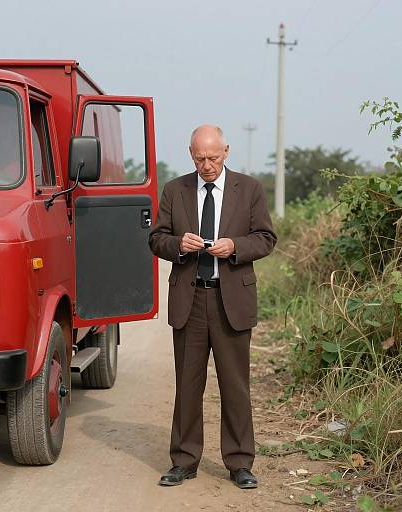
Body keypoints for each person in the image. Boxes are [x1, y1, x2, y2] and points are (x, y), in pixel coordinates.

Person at [149, 125, 277, 489]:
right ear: (191, 154)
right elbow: (156, 239)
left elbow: (266, 238)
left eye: (213, 157)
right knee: (188, 385)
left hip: (230, 299)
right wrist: (178, 244)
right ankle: (184, 460)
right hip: (190, 300)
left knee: (235, 385)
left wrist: (234, 246)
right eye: (199, 158)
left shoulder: (249, 189)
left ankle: (239, 463)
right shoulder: (176, 190)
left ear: (226, 151)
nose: (206, 165)